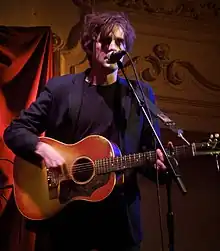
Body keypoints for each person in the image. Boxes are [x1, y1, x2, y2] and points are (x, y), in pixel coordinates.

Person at [3, 11, 167, 251]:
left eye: (119, 42)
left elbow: (151, 155)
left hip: (118, 224)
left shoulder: (139, 95)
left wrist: (160, 166)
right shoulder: (60, 89)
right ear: (90, 45)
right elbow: (15, 131)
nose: (112, 47)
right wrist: (42, 149)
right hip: (64, 218)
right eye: (105, 41)